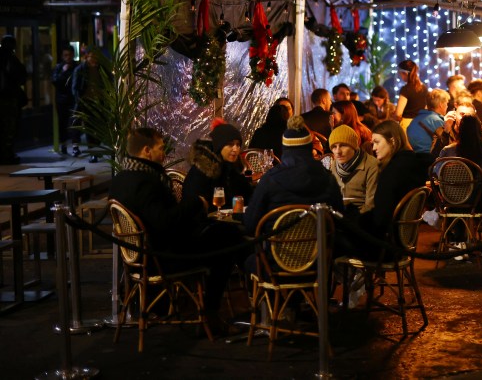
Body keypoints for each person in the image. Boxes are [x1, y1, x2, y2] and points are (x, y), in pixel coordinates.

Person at [110, 127, 247, 335]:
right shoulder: (145, 182)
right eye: (160, 148)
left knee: (221, 234)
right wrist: (195, 203)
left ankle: (210, 313)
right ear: (147, 151)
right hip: (162, 255)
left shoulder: (122, 178)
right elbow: (164, 222)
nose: (164, 153)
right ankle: (210, 314)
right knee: (227, 241)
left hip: (139, 255)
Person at [344, 120, 430, 259]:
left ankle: (348, 278)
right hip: (403, 243)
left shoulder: (392, 172)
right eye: (373, 143)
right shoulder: (412, 165)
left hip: (384, 247)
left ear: (393, 141)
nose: (373, 148)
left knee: (331, 237)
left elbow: (380, 219)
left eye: (377, 142)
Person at [244, 116, 344, 234]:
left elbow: (251, 225)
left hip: (277, 250)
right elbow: (339, 219)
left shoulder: (270, 179)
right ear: (309, 147)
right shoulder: (328, 178)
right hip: (320, 249)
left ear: (285, 149)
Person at [182, 119, 254, 208]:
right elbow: (191, 204)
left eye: (238, 144)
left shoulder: (233, 168)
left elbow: (248, 195)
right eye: (230, 144)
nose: (235, 149)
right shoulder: (202, 170)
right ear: (219, 146)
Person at [437, 114, 482, 208]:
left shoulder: (447, 151)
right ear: (479, 130)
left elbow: (437, 173)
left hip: (454, 199)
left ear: (458, 130)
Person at [327, 124, 379, 215]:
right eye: (334, 147)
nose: (338, 152)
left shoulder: (371, 165)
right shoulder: (335, 164)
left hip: (362, 218)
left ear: (354, 146)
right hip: (338, 216)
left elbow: (371, 205)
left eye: (343, 145)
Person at [70, 49, 103, 162]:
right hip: (84, 101)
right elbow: (75, 87)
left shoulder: (101, 69)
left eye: (95, 57)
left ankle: (94, 151)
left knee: (94, 127)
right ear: (86, 57)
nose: (93, 59)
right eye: (91, 56)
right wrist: (79, 100)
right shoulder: (80, 69)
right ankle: (88, 151)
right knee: (82, 126)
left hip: (97, 102)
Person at [0, 34, 27, 164]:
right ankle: (7, 154)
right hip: (8, 98)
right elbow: (21, 76)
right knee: (9, 128)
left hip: (7, 97)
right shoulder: (10, 58)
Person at [407, 88, 449, 155]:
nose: (447, 106)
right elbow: (446, 142)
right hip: (429, 158)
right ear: (441, 104)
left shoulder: (416, 119)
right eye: (446, 103)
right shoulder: (436, 120)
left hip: (415, 157)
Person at [51, 47, 76, 156]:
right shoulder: (59, 67)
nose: (68, 57)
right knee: (63, 123)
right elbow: (55, 81)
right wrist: (63, 71)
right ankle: (64, 144)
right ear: (62, 56)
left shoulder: (76, 66)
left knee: (74, 122)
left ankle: (75, 145)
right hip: (61, 100)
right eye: (66, 55)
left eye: (70, 55)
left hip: (73, 99)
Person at [393, 59, 428, 129]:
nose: (400, 76)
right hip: (421, 124)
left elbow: (398, 113)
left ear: (405, 73)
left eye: (400, 73)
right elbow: (426, 108)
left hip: (407, 125)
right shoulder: (424, 87)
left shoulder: (405, 89)